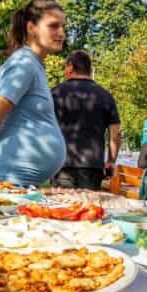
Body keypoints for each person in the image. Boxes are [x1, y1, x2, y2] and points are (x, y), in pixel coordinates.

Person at [0, 0, 67, 186]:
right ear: (31, 28)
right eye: (53, 26)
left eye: (63, 27)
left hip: (12, 182)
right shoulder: (24, 64)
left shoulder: (32, 64)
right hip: (2, 180)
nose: (62, 33)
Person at [50, 50, 121, 190]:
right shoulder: (106, 96)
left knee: (60, 207)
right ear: (89, 69)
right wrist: (111, 161)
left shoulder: (55, 94)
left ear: (70, 67)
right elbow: (115, 134)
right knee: (89, 208)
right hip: (92, 166)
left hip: (62, 164)